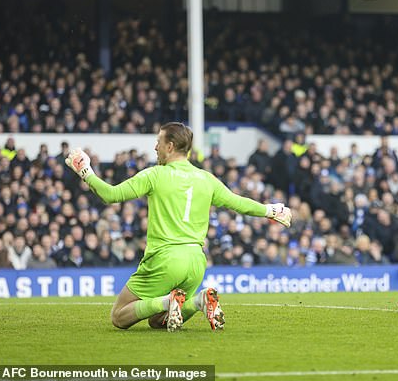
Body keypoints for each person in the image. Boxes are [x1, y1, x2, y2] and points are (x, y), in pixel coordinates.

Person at [66, 122, 292, 332]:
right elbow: (238, 203)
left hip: (164, 260)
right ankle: (197, 301)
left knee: (119, 317)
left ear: (170, 146)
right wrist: (271, 210)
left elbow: (111, 195)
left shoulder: (155, 175)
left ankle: (168, 300)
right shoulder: (206, 178)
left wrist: (86, 172)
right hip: (195, 263)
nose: (155, 147)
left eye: (159, 142)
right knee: (157, 321)